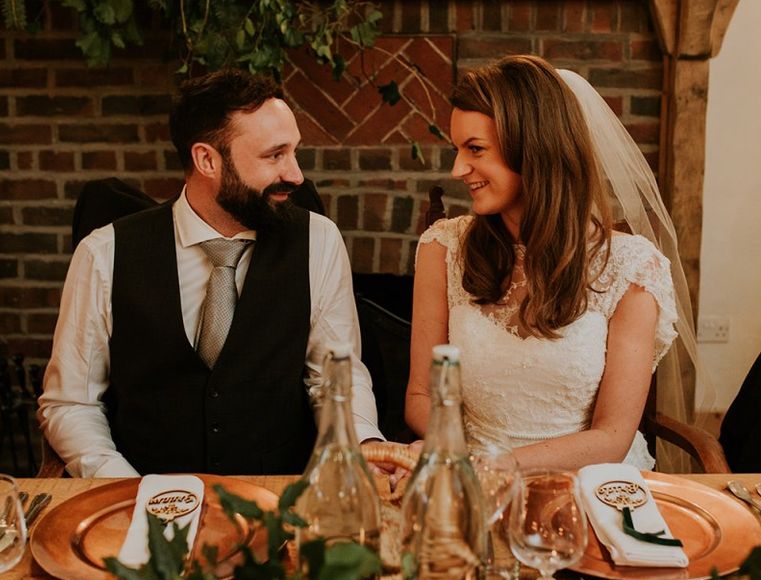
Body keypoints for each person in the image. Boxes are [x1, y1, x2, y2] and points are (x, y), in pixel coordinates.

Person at [38, 68, 384, 478]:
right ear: (207, 159)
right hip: (140, 500)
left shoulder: (320, 241)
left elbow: (336, 379)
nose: (296, 175)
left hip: (278, 501)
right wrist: (125, 491)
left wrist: (363, 443)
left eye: (294, 151)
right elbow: (71, 403)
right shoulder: (103, 253)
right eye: (274, 155)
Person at [405, 55, 694, 472]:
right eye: (457, 149)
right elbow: (420, 397)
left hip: (591, 485)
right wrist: (458, 456)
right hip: (471, 475)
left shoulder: (632, 269)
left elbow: (612, 437)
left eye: (475, 149)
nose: (457, 169)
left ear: (534, 148)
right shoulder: (443, 248)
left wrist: (500, 465)